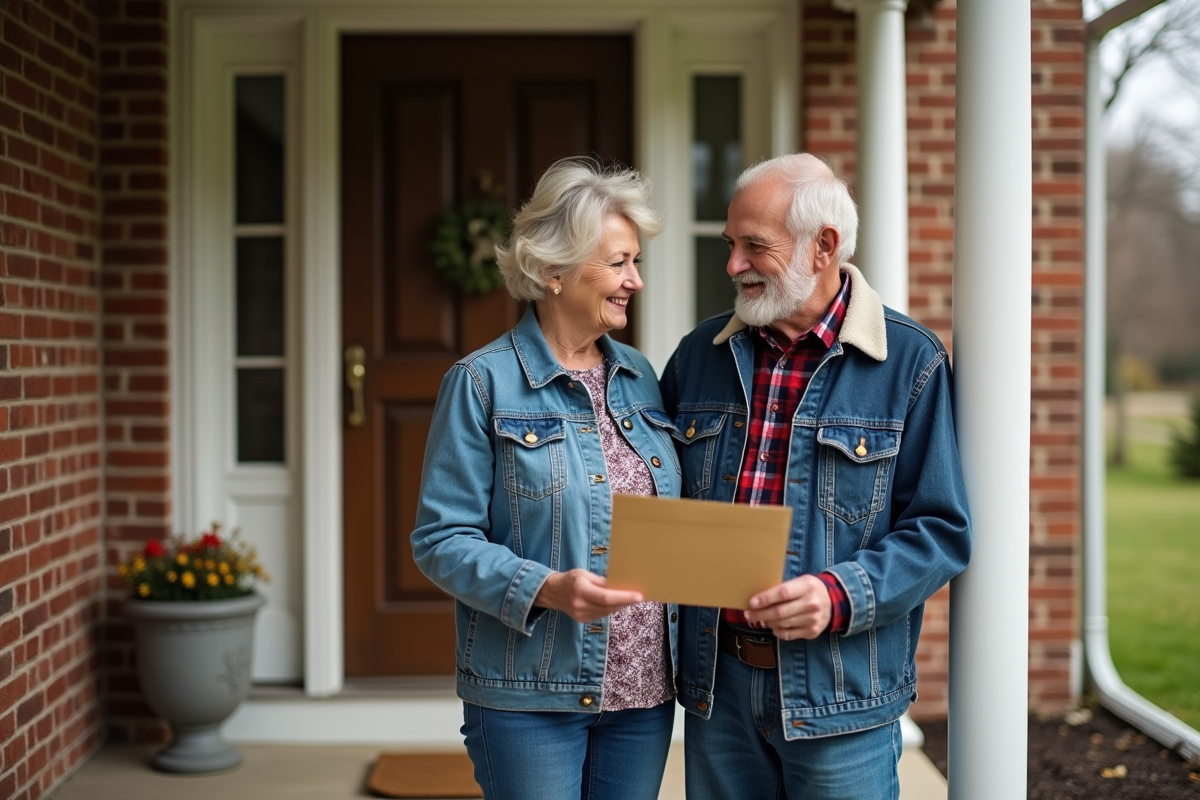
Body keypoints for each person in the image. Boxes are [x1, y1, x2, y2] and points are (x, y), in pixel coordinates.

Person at [660, 153, 971, 800]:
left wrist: (837, 595)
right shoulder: (698, 356)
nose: (733, 265)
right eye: (730, 244)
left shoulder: (908, 363)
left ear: (823, 245)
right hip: (716, 691)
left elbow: (940, 531)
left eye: (754, 246)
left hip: (842, 696)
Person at [411, 157, 682, 800]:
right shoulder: (481, 383)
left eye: (635, 262)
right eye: (618, 263)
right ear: (553, 270)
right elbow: (441, 540)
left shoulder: (641, 375)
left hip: (643, 694)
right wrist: (547, 588)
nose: (635, 281)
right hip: (529, 690)